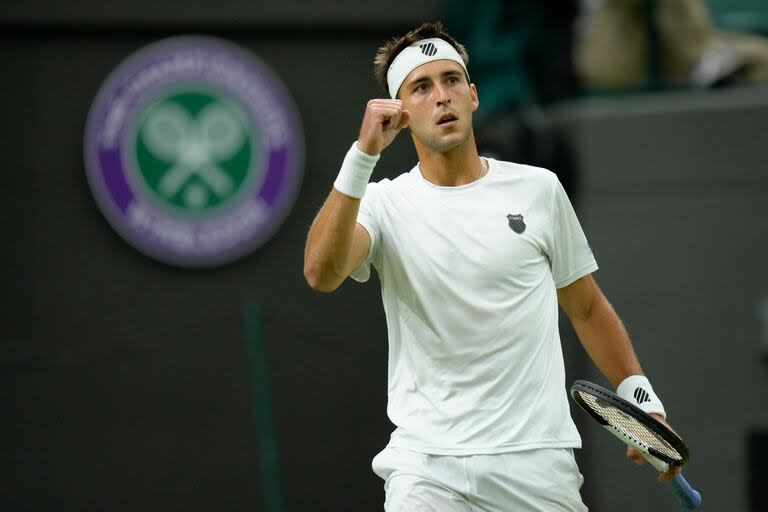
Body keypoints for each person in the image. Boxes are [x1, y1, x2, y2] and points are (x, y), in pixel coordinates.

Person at [303, 21, 681, 512]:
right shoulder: (380, 204)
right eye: (422, 86)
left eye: (451, 80)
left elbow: (587, 308)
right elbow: (320, 272)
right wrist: (363, 156)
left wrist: (643, 403)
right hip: (427, 470)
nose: (442, 96)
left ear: (473, 95)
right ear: (399, 112)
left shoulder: (539, 190)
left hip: (537, 467)